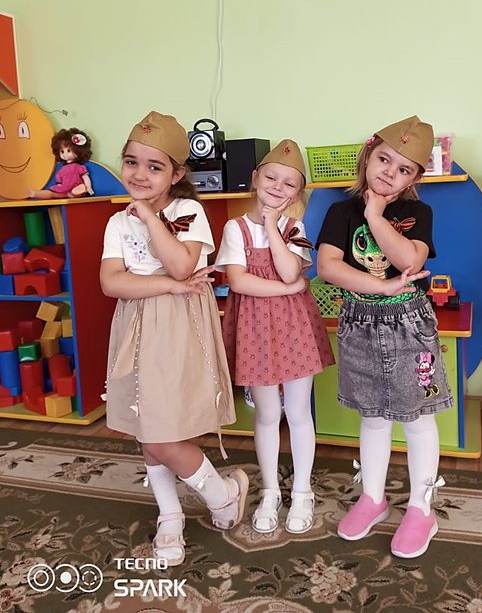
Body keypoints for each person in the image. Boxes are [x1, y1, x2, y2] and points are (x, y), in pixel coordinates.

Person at [99, 111, 248, 566]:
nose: (139, 174)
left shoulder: (188, 212)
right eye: (131, 162)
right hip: (135, 327)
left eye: (154, 166)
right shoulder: (116, 223)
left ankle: (222, 494)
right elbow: (112, 282)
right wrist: (166, 284)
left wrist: (148, 216)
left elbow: (183, 265)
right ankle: (171, 514)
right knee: (146, 427)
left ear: (177, 174)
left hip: (179, 329)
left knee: (164, 432)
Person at [316, 115, 452, 559]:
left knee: (417, 418)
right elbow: (328, 267)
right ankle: (373, 498)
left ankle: (421, 508)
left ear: (415, 178)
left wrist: (375, 215)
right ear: (367, 156)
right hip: (358, 323)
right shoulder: (340, 212)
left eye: (404, 169)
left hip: (410, 326)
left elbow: (410, 261)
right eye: (384, 160)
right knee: (373, 416)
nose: (390, 172)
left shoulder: (418, 214)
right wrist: (383, 286)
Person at [215, 139, 334, 534]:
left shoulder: (294, 228)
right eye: (271, 177)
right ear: (254, 179)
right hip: (254, 330)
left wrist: (271, 227)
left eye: (289, 183)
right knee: (267, 414)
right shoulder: (234, 228)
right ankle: (269, 490)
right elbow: (239, 281)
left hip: (295, 327)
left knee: (298, 412)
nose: (278, 187)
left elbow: (290, 270)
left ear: (297, 194)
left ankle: (302, 491)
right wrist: (289, 289)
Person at [28, 127, 95, 199]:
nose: (65, 154)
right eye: (62, 151)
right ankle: (35, 194)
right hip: (65, 190)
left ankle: (78, 191)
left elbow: (85, 178)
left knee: (78, 190)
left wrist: (89, 188)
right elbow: (59, 183)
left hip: (76, 189)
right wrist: (59, 189)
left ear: (78, 150)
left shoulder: (78, 167)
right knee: (52, 193)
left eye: (68, 151)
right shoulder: (61, 170)